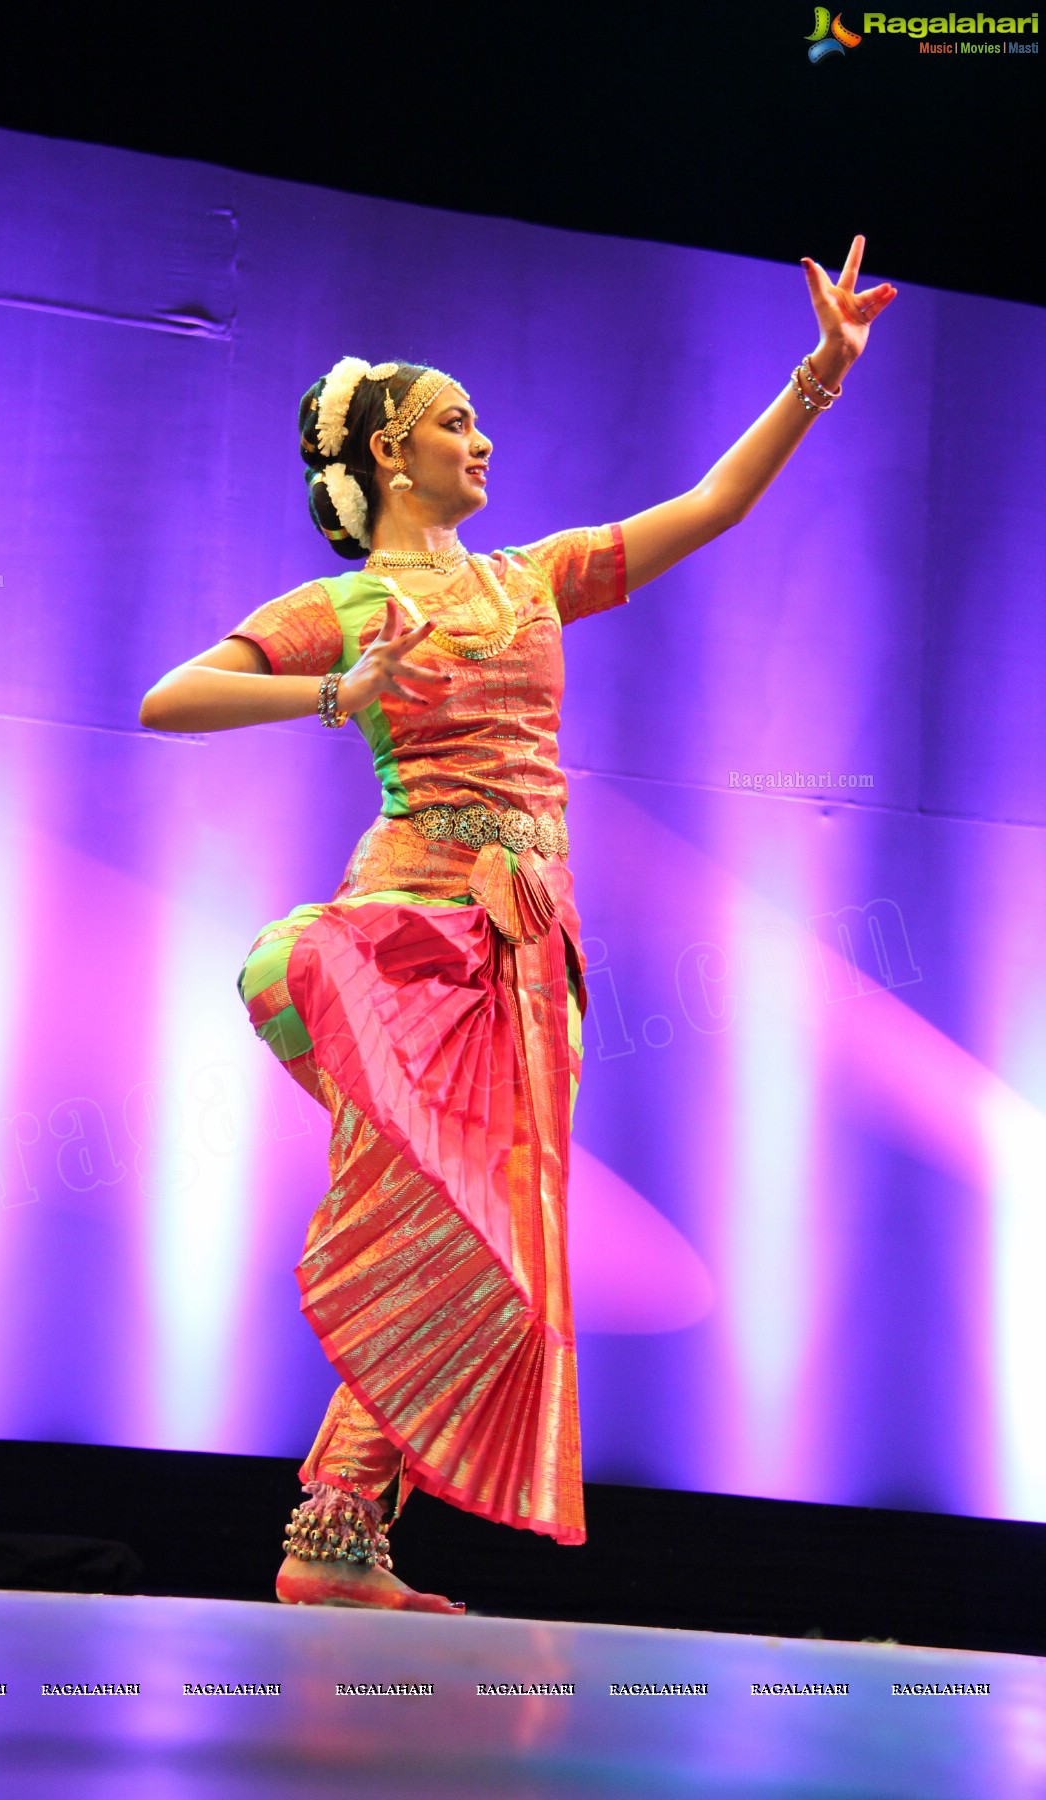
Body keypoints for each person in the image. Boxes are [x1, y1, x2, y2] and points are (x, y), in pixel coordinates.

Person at [140, 237, 896, 1613]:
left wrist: (818, 377)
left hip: (529, 954)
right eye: (451, 423)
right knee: (445, 1214)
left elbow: (713, 505)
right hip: (409, 935)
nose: (479, 442)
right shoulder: (346, 606)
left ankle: (339, 1538)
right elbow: (171, 698)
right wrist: (331, 690)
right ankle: (336, 1541)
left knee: (497, 1248)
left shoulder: (533, 578)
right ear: (386, 447)